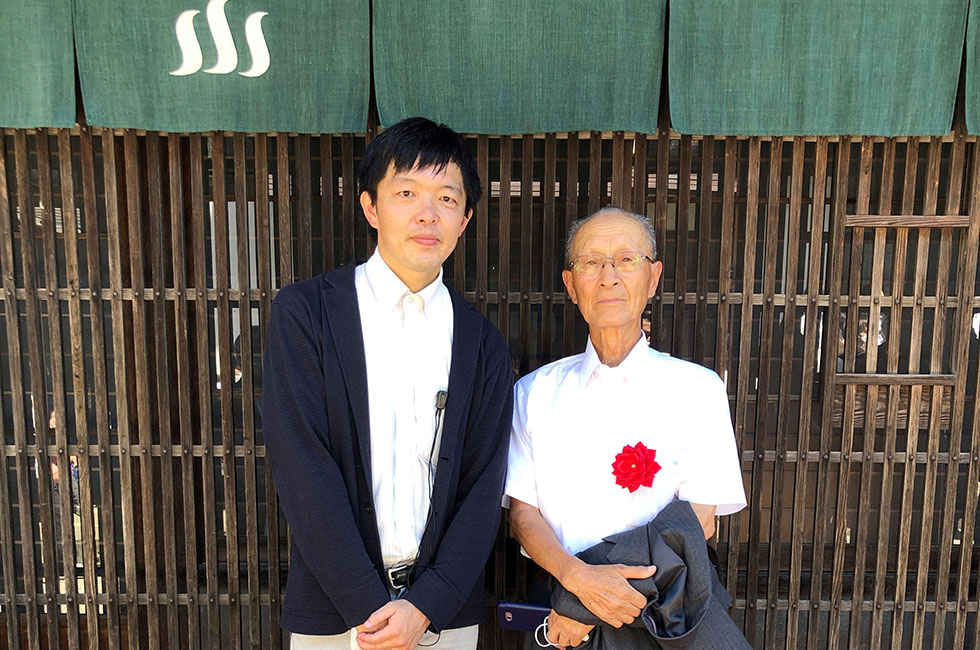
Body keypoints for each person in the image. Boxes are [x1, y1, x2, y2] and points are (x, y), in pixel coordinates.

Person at [262, 117, 513, 650]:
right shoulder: (306, 314)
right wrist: (366, 605)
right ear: (370, 207)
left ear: (464, 219)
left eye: (447, 198)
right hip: (336, 615)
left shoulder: (483, 344)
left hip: (442, 617)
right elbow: (302, 466)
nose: (428, 213)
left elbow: (483, 487)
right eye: (406, 192)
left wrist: (426, 606)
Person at [505, 207, 747, 648]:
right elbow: (523, 515)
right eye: (591, 262)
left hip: (662, 610)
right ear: (571, 285)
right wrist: (577, 584)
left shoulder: (697, 388)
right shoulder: (534, 392)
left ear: (652, 278)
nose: (609, 277)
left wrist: (586, 605)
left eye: (626, 260)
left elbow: (699, 521)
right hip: (561, 615)